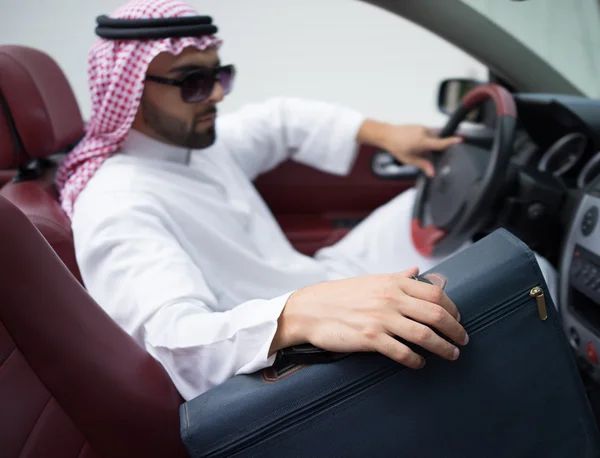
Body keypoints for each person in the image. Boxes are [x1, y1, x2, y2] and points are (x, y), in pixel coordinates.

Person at [57, 0, 556, 401]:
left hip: (314, 280)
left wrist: (384, 133)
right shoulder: (116, 202)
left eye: (219, 75)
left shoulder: (192, 146)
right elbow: (175, 341)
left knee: (439, 207)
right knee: (531, 269)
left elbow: (282, 120)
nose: (216, 96)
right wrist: (298, 314)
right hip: (285, 354)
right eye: (193, 82)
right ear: (128, 91)